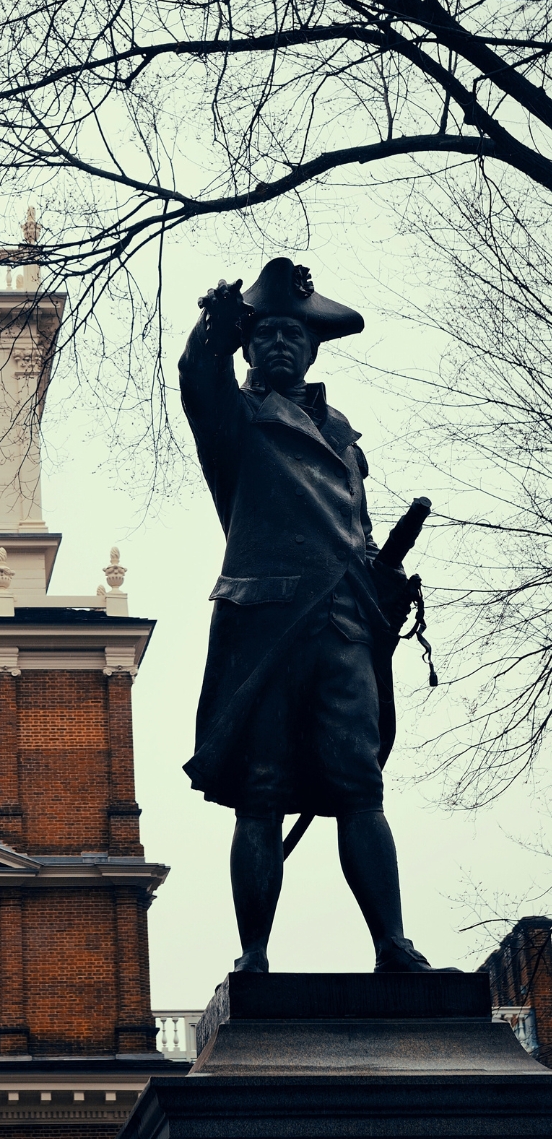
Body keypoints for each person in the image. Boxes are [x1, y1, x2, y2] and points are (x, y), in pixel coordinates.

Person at [179, 257, 434, 973]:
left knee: (360, 786)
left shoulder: (346, 438)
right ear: (251, 346)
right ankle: (254, 956)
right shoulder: (235, 417)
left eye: (296, 332)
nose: (283, 342)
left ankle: (393, 944)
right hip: (266, 625)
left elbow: (352, 531)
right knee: (260, 795)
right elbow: (198, 377)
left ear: (314, 347)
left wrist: (382, 578)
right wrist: (214, 330)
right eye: (268, 333)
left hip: (345, 625)